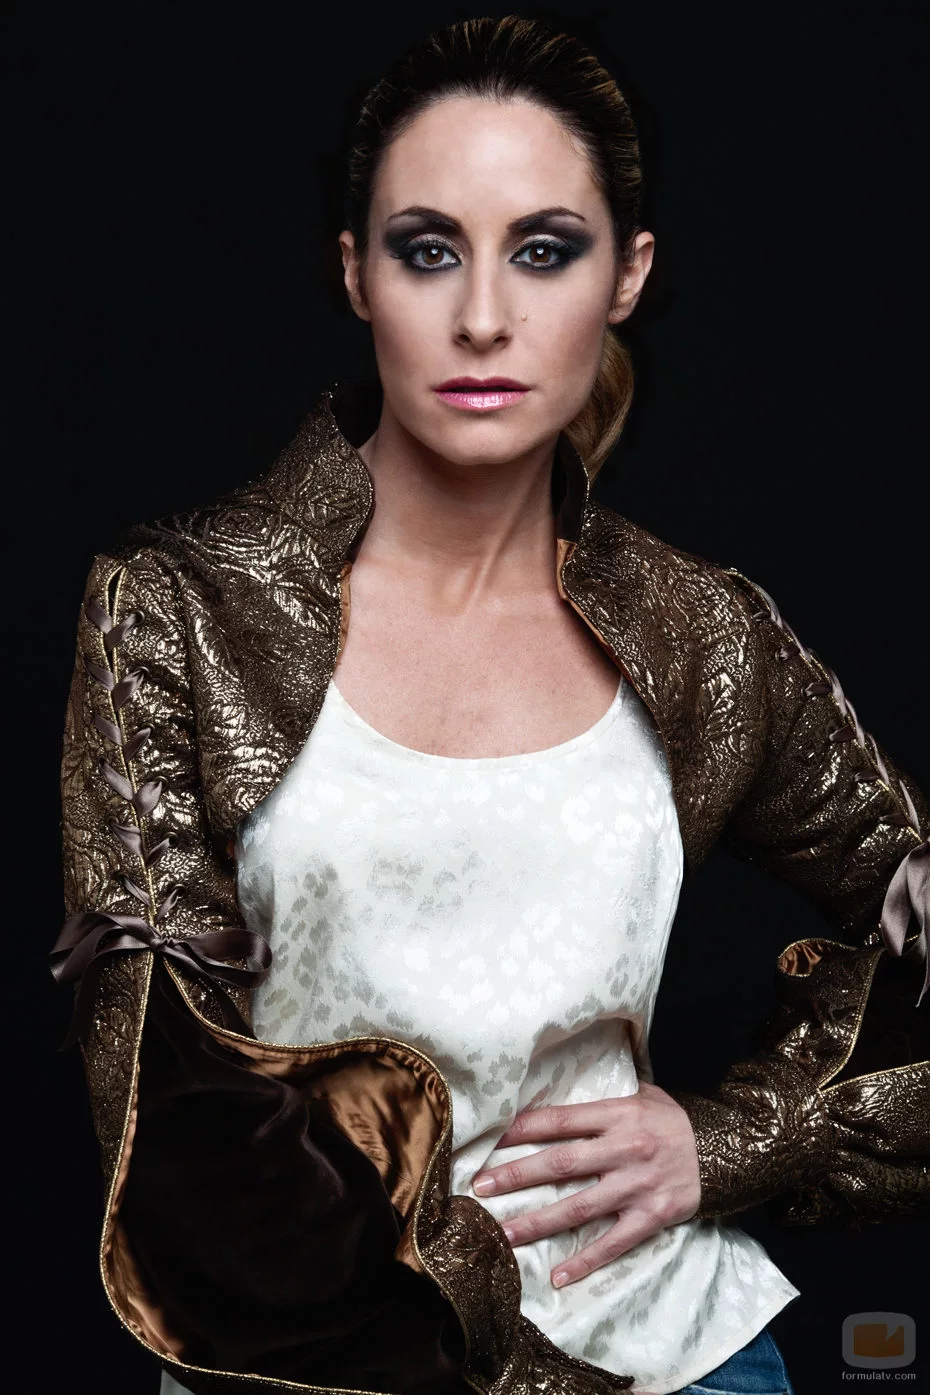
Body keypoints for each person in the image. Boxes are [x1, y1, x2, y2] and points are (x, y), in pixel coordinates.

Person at [51, 15, 928, 1395]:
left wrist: (740, 1140)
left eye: (542, 249)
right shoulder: (179, 609)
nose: (480, 316)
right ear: (355, 271)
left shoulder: (704, 633)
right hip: (306, 1363)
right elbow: (169, 1099)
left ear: (628, 274)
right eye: (426, 249)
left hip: (679, 1354)